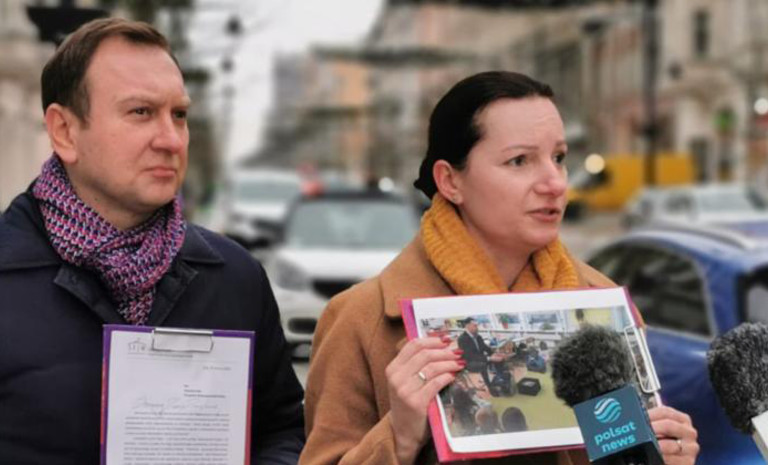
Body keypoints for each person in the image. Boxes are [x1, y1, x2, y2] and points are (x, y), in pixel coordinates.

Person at [300, 71, 699, 465]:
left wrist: (661, 457)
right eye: (519, 160)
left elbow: (624, 453)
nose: (555, 183)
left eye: (559, 158)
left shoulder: (604, 308)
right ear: (450, 181)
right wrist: (398, 437)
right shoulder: (360, 319)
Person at [0, 18, 304, 464]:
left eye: (179, 115)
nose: (171, 139)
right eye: (141, 112)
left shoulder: (235, 278)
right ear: (64, 131)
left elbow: (282, 429)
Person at [457, 317, 494, 389]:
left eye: (477, 326)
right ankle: (489, 386)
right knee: (483, 364)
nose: (477, 328)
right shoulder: (462, 339)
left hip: (479, 358)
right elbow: (470, 356)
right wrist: (488, 358)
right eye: (475, 326)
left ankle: (500, 379)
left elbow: (485, 347)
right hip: (469, 362)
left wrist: (494, 354)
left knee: (498, 360)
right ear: (467, 326)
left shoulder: (478, 336)